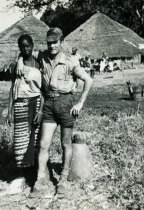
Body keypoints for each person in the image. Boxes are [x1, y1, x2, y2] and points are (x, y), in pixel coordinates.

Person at [16, 27, 93, 198]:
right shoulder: (42, 57)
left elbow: (88, 80)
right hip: (49, 105)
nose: (52, 46)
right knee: (44, 144)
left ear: (61, 42)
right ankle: (40, 180)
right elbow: (26, 52)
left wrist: (80, 103)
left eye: (55, 42)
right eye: (49, 43)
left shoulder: (71, 61)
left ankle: (63, 180)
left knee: (65, 143)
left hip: (65, 103)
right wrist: (20, 60)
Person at [6, 34, 44, 188]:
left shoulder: (39, 63)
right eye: (22, 46)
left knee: (35, 139)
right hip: (20, 104)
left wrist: (41, 110)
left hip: (36, 103)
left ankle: (35, 174)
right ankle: (22, 175)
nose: (25, 48)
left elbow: (45, 90)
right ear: (19, 48)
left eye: (28, 45)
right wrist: (9, 110)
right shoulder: (16, 66)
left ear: (33, 45)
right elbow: (12, 88)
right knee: (20, 140)